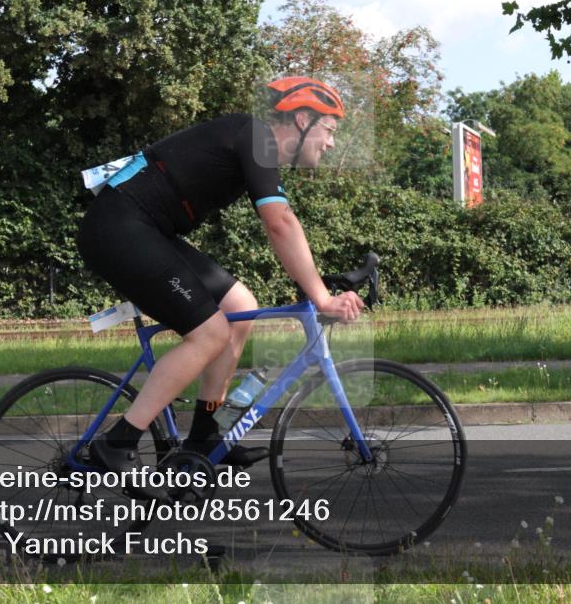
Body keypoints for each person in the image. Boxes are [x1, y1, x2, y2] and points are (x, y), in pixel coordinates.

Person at [76, 76, 364, 500]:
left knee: (240, 306)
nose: (332, 143)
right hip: (120, 228)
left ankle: (204, 436)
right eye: (330, 130)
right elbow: (280, 223)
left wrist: (317, 284)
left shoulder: (256, 144)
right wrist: (321, 296)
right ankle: (117, 443)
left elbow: (282, 224)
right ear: (303, 119)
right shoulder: (256, 137)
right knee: (209, 334)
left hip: (145, 228)